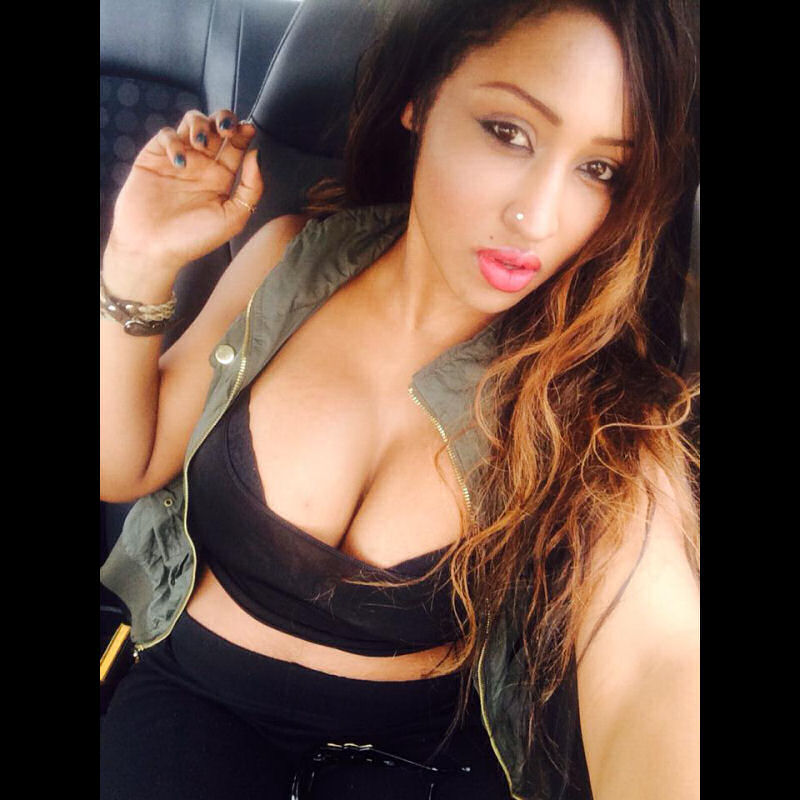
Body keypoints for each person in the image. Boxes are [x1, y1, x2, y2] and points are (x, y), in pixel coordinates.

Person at [99, 1, 700, 798]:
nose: (537, 217)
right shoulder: (290, 262)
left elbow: (654, 666)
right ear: (421, 97)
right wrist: (138, 259)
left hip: (421, 764)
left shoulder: (602, 406)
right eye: (508, 132)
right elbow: (123, 464)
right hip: (190, 703)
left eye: (600, 170)